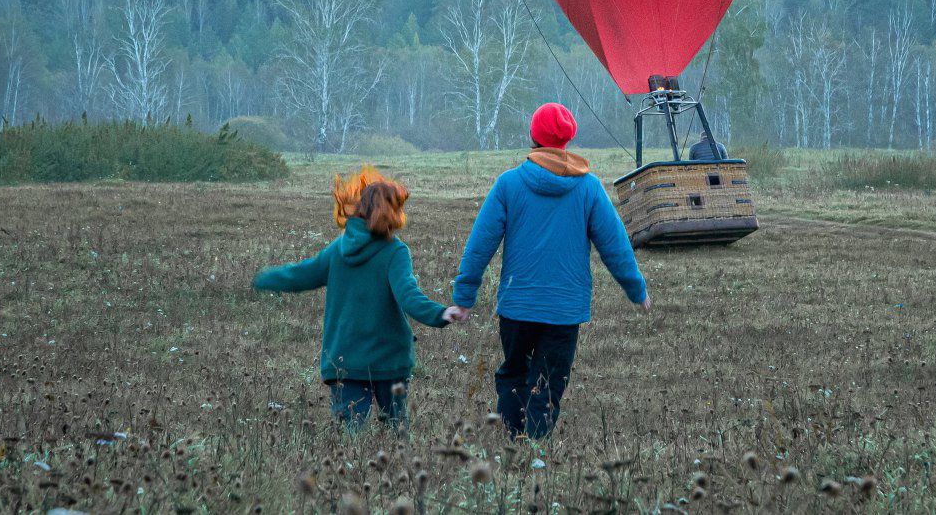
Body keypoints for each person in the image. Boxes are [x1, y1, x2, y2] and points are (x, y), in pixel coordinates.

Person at [452, 102, 651, 439]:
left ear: (533, 136)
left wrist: (464, 297)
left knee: (514, 374)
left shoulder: (508, 184)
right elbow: (615, 245)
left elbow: (480, 244)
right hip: (564, 310)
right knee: (547, 382)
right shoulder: (588, 188)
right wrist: (637, 290)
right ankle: (535, 451)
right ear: (568, 139)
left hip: (517, 306)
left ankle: (514, 444)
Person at [253, 168, 466, 429]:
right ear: (391, 213)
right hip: (390, 361)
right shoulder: (395, 251)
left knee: (349, 444)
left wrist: (264, 278)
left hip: (344, 361)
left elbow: (300, 275)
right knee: (397, 438)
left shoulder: (338, 249)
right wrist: (440, 313)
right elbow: (408, 295)